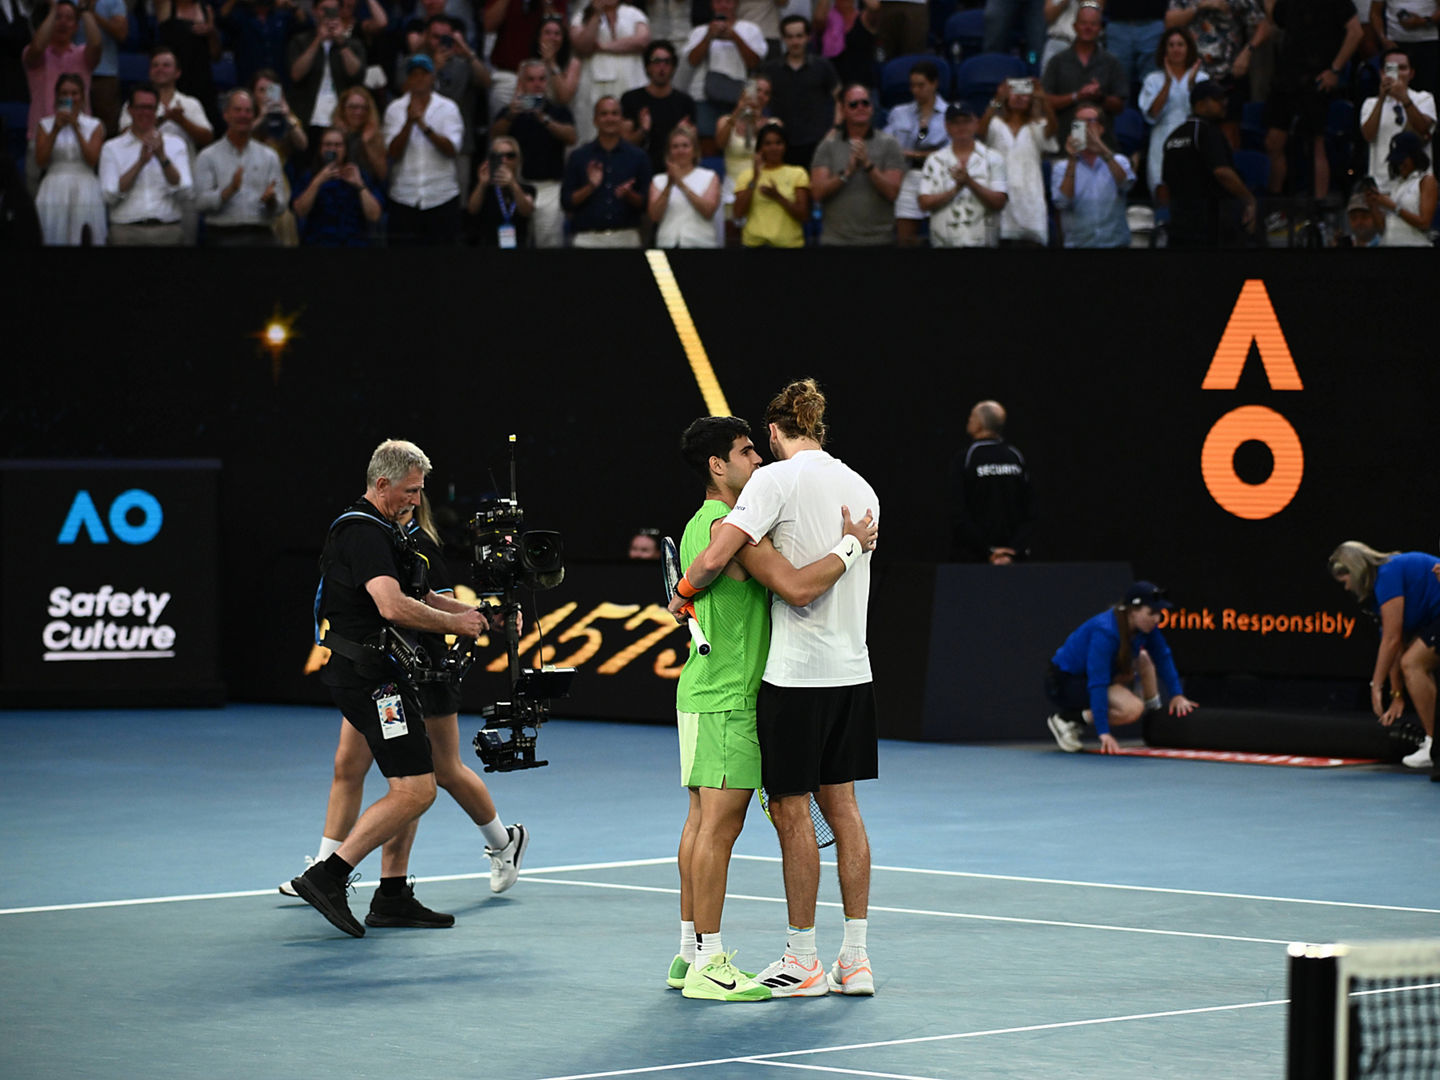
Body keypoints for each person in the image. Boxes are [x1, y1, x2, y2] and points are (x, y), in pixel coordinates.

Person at [669, 378, 881, 1001]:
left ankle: (792, 959)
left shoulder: (769, 487)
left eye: (758, 449)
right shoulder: (862, 487)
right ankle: (853, 960)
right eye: (744, 456)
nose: (756, 461)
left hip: (787, 681)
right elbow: (730, 564)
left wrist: (681, 592)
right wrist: (848, 542)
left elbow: (763, 578)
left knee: (767, 818)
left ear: (774, 431)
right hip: (836, 674)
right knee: (828, 814)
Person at [282, 494, 530, 903]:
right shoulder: (376, 537)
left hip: (423, 671)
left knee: (438, 771)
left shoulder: (420, 545)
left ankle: (504, 842)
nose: (408, 503)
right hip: (376, 669)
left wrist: (482, 616)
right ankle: (323, 868)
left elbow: (436, 607)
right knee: (349, 765)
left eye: (415, 497)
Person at [290, 439, 491, 937]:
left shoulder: (388, 532)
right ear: (382, 483)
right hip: (370, 680)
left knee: (412, 780)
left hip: (386, 676)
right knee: (416, 789)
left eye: (419, 492)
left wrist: (470, 616)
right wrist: (457, 627)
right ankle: (327, 876)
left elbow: (418, 595)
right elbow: (392, 607)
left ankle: (393, 896)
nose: (414, 501)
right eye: (408, 491)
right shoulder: (361, 532)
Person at [1045, 581, 1198, 755]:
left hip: (1097, 677)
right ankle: (1067, 720)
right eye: (1152, 613)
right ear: (1133, 611)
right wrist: (1104, 733)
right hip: (1064, 684)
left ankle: (1154, 717)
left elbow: (1163, 657)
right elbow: (1098, 682)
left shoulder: (1146, 629)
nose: (1157, 619)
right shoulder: (1105, 632)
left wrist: (1177, 695)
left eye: (1159, 613)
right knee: (1132, 709)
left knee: (1144, 659)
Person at [1328, 542, 1440, 768]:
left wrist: (1376, 686)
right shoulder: (1378, 596)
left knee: (1413, 663)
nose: (1347, 588)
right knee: (1411, 661)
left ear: (1356, 571)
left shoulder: (1388, 574)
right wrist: (1396, 694)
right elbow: (1393, 648)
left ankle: (1434, 745)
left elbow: (1392, 639)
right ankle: (1435, 743)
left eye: (1345, 581)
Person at [1261, 0, 1363, 208]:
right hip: (1286, 78)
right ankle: (1275, 205)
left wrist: (1335, 70)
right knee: (1273, 142)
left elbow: (1356, 32)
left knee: (1317, 143)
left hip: (1317, 77)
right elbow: (1276, 18)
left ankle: (1319, 208)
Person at [492, 58, 578, 247]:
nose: (537, 84)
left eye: (541, 79)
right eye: (531, 79)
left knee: (549, 244)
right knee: (516, 243)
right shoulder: (510, 112)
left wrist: (544, 119)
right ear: (521, 83)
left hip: (549, 188)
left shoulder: (558, 111)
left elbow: (571, 137)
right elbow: (494, 137)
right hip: (516, 186)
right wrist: (510, 116)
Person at [1162, 79, 1256, 246]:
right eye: (1217, 99)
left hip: (1179, 225)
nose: (1224, 103)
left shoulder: (1173, 136)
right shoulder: (1207, 132)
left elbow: (1166, 183)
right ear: (1200, 104)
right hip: (1209, 226)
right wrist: (1248, 199)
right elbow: (1222, 172)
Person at [384, 53, 466, 245]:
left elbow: (452, 150)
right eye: (414, 74)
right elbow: (392, 152)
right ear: (409, 78)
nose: (419, 78)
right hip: (403, 196)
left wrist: (423, 125)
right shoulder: (395, 109)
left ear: (432, 77)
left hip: (441, 196)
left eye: (424, 73)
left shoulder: (448, 108)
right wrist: (408, 124)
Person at [1163, 0, 1269, 148]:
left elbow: (1264, 26)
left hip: (1229, 72)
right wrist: (1200, 6)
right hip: (1194, 75)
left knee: (1230, 134)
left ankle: (1228, 168)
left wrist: (1248, 52)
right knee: (1193, 131)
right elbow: (1170, 21)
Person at [810, 83, 904, 246]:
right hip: (836, 241)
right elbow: (817, 193)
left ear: (872, 108)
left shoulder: (890, 144)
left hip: (880, 240)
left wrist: (868, 165)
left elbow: (892, 193)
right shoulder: (828, 145)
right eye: (853, 104)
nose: (860, 107)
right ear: (844, 110)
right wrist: (847, 173)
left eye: (865, 103)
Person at [100, 80, 193, 245]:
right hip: (126, 230)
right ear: (130, 110)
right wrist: (140, 163)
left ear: (157, 110)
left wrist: (163, 157)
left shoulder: (175, 144)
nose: (145, 113)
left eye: (150, 108)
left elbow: (185, 190)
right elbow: (109, 195)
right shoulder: (112, 148)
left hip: (167, 229)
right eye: (140, 107)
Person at [193, 88, 285, 245]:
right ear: (226, 115)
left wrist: (272, 201)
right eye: (237, 110)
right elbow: (200, 203)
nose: (243, 115)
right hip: (222, 236)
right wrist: (228, 192)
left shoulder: (269, 156)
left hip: (261, 236)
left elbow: (281, 205)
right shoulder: (207, 156)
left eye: (248, 111)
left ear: (254, 116)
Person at [948, 400, 1034, 565]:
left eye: (971, 417)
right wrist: (1013, 550)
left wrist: (990, 551)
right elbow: (1031, 511)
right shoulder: (1015, 456)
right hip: (1011, 557)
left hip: (975, 561)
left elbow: (957, 511)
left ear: (979, 424)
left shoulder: (966, 459)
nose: (969, 421)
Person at [561, 94, 652, 245]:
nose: (610, 118)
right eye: (604, 114)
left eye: (615, 114)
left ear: (621, 119)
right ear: (595, 120)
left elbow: (646, 204)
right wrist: (590, 187)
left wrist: (629, 194)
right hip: (588, 239)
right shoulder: (579, 156)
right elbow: (566, 202)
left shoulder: (638, 156)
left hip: (626, 237)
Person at [979, 75, 1058, 246]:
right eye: (1014, 92)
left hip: (1030, 197)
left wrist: (1043, 99)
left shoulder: (1037, 125)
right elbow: (981, 131)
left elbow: (1052, 130)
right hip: (1000, 195)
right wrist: (997, 99)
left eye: (1024, 93)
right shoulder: (995, 123)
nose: (1019, 97)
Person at [918, 101, 1008, 247]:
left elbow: (999, 202)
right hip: (944, 243)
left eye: (966, 121)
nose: (961, 127)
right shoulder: (934, 160)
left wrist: (969, 182)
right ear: (947, 126)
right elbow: (924, 203)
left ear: (976, 123)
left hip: (983, 243)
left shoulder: (993, 158)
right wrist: (955, 190)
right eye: (955, 122)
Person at [1042, 1, 1128, 148]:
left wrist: (1100, 97)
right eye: (1083, 23)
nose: (1088, 28)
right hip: (1064, 145)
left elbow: (1119, 106)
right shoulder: (1057, 61)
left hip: (1102, 147)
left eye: (1093, 24)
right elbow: (1045, 102)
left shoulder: (1112, 62)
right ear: (1074, 26)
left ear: (1100, 28)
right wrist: (1076, 96)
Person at [34, 70, 106, 244]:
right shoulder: (45, 124)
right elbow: (41, 161)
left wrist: (76, 127)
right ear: (57, 96)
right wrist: (56, 129)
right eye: (64, 93)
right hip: (53, 187)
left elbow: (92, 160)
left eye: (74, 93)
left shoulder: (94, 125)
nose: (70, 97)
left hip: (85, 186)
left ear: (82, 96)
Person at [883, 58, 948, 248]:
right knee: (905, 240)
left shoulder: (949, 114)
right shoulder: (899, 112)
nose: (916, 90)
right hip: (907, 176)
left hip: (939, 178)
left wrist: (912, 154)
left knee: (941, 238)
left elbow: (951, 152)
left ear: (934, 83)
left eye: (921, 85)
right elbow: (887, 147)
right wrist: (923, 153)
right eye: (912, 86)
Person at [762, 16, 841, 171]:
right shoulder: (769, 69)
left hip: (817, 142)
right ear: (783, 39)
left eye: (799, 36)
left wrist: (836, 128)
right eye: (790, 37)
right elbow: (756, 100)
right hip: (781, 145)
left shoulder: (822, 66)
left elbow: (841, 98)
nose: (795, 42)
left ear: (808, 37)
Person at [1137, 28, 1208, 200]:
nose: (1176, 49)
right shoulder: (1153, 80)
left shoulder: (1201, 78)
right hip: (1161, 141)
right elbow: (1153, 114)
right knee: (1163, 191)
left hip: (1193, 141)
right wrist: (1168, 82)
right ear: (1165, 50)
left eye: (1180, 45)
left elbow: (1206, 115)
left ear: (1188, 49)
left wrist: (1192, 87)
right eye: (1171, 45)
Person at [288, 1, 367, 152]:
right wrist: (318, 39)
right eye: (325, 10)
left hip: (342, 120)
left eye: (334, 10)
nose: (329, 15)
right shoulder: (300, 41)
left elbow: (356, 74)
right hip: (308, 118)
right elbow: (296, 74)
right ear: (315, 11)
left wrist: (341, 42)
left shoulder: (353, 43)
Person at [569, 0, 650, 145]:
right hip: (594, 83)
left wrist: (603, 47)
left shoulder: (634, 13)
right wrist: (595, 15)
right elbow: (583, 46)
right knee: (591, 131)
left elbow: (642, 41)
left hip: (630, 81)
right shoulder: (582, 16)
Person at [682, 0, 766, 137]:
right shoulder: (699, 31)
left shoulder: (750, 29)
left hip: (742, 97)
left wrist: (735, 37)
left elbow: (754, 63)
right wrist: (708, 36)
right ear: (712, 4)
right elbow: (692, 61)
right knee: (707, 140)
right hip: (704, 97)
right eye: (718, 2)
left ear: (736, 3)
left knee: (740, 140)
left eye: (728, 2)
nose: (723, 6)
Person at [22, 0, 101, 142]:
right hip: (41, 136)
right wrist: (52, 8)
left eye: (69, 18)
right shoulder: (35, 53)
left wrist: (84, 10)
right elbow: (38, 47)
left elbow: (96, 44)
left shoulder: (82, 55)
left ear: (76, 26)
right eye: (58, 17)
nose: (63, 23)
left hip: (80, 137)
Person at [1359, 49, 1436, 193]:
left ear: (1411, 73)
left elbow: (1423, 129)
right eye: (1391, 68)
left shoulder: (1424, 98)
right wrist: (1382, 98)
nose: (1398, 73)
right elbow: (1368, 135)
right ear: (1382, 73)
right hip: (1381, 183)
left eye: (1403, 68)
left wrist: (1404, 99)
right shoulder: (1370, 103)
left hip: (1417, 183)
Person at [292, 126, 384, 244]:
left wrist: (360, 186)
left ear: (345, 149)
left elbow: (375, 216)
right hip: (319, 243)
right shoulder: (309, 176)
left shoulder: (359, 174)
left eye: (338, 145)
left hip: (354, 243)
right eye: (328, 145)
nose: (333, 149)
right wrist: (318, 181)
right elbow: (300, 211)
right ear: (321, 148)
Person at [118, 47, 214, 159]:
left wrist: (182, 121)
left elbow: (207, 139)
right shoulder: (135, 102)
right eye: (155, 65)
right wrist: (162, 119)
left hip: (182, 170)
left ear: (177, 73)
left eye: (166, 65)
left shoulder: (191, 103)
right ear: (149, 72)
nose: (160, 69)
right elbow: (124, 135)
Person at [622, 39, 698, 174]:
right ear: (647, 66)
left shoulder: (685, 102)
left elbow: (694, 145)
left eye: (667, 62)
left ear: (673, 67)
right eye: (656, 62)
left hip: (676, 171)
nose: (662, 67)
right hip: (639, 171)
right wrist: (643, 130)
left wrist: (684, 133)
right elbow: (624, 144)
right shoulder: (631, 99)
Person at [732, 120, 810, 246]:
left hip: (788, 247)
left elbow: (803, 215)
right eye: (767, 144)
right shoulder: (746, 176)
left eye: (778, 143)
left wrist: (778, 197)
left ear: (785, 146)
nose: (773, 148)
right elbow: (738, 213)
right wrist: (755, 178)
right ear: (760, 148)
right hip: (755, 247)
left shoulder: (798, 173)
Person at [715, 72, 770, 242]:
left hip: (760, 187)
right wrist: (738, 112)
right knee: (731, 239)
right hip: (731, 187)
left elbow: (769, 152)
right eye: (757, 90)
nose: (760, 95)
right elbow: (720, 144)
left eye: (766, 93)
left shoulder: (773, 125)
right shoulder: (726, 120)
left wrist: (756, 120)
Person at [649, 123, 720, 246]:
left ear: (695, 151)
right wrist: (669, 186)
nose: (680, 150)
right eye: (675, 147)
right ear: (669, 152)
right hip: (667, 243)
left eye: (685, 146)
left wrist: (681, 184)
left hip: (700, 245)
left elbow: (708, 211)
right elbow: (655, 216)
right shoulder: (658, 180)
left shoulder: (710, 176)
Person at [154, 0, 221, 130]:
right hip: (174, 79)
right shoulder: (166, 5)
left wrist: (212, 32)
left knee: (209, 124)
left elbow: (216, 55)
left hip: (202, 79)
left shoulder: (206, 9)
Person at [1366, 129, 1437, 244]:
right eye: (1396, 160)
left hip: (1414, 248)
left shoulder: (1426, 181)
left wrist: (1394, 207)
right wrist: (1373, 206)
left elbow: (1425, 223)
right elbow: (1381, 229)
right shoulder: (1395, 184)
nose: (1399, 165)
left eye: (1402, 159)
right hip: (1390, 248)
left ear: (1414, 156)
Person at [464, 133, 536, 245]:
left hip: (519, 250)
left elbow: (526, 211)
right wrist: (482, 184)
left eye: (510, 156)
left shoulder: (527, 188)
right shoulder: (484, 187)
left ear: (518, 160)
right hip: (488, 249)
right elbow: (472, 210)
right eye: (498, 156)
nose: (504, 160)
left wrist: (512, 184)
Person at [73, 0, 126, 134]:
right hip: (72, 73)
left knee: (108, 127)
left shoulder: (114, 2)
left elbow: (121, 33)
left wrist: (90, 13)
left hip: (105, 74)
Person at [331, 85, 388, 182]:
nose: (358, 112)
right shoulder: (333, 134)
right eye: (353, 107)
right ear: (343, 109)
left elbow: (383, 175)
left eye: (364, 108)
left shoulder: (375, 135)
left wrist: (366, 143)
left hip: (367, 188)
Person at [535, 15, 582, 106]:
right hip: (535, 112)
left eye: (557, 34)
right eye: (547, 33)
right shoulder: (529, 63)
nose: (552, 38)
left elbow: (564, 98)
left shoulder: (573, 63)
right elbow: (521, 97)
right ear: (539, 37)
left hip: (560, 113)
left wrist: (552, 63)